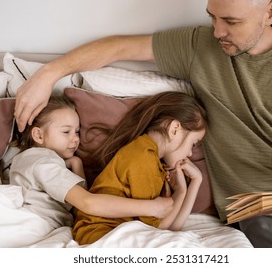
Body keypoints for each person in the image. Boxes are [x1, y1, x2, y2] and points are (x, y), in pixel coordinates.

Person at [13, 0, 272, 247]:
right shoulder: (199, 46)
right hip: (258, 216)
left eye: (231, 21)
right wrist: (48, 74)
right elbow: (118, 48)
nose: (218, 31)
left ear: (270, 11)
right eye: (212, 17)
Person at [9, 95, 174, 231]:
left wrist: (77, 164)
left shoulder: (32, 161)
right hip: (31, 226)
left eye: (77, 132)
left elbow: (80, 206)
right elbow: (88, 203)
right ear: (38, 135)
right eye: (66, 132)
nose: (75, 139)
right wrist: (151, 208)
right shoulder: (43, 164)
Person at [72, 91, 207, 244]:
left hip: (108, 235)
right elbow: (160, 227)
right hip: (101, 235)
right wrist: (180, 191)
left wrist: (194, 182)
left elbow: (173, 228)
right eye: (193, 144)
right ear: (174, 129)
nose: (190, 153)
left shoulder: (150, 158)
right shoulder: (143, 159)